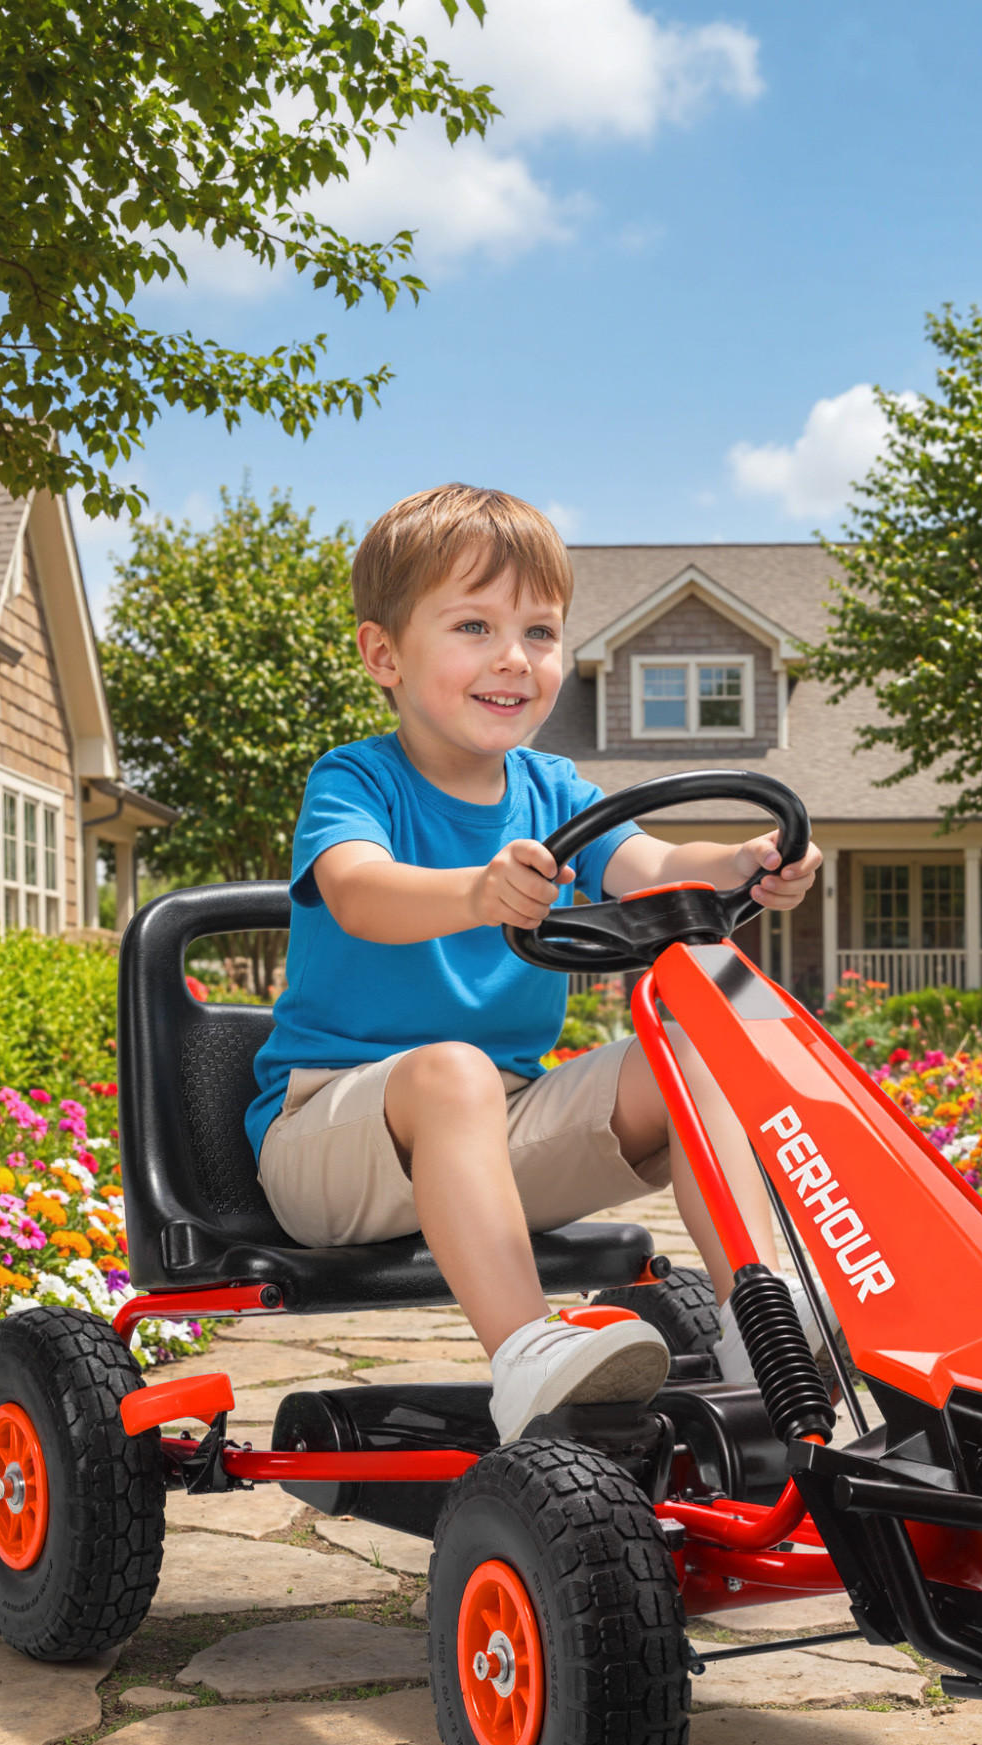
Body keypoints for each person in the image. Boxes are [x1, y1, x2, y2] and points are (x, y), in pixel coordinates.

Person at [246, 484, 822, 1441]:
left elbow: (653, 867)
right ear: (383, 654)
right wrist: (474, 891)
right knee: (452, 1072)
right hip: (331, 1142)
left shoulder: (555, 789)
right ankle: (526, 1355)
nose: (515, 659)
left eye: (542, 632)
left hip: (498, 1131)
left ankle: (755, 1323)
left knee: (697, 1041)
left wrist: (743, 864)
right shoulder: (357, 778)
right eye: (474, 625)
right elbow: (358, 889)